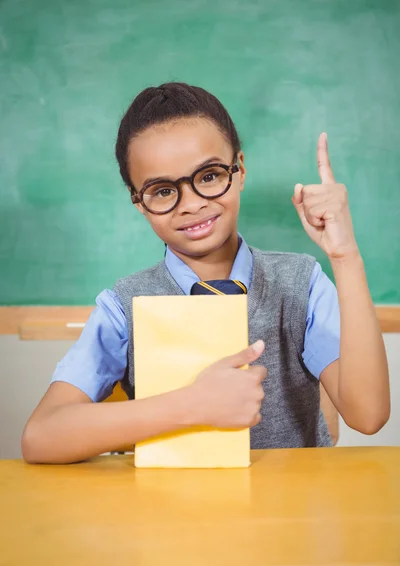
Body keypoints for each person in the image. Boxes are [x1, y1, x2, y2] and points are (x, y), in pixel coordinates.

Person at [22, 82, 390, 464]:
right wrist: (192, 405)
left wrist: (345, 255)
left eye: (210, 176)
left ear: (240, 169)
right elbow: (41, 437)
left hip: (288, 516)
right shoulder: (123, 306)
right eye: (163, 191)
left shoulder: (301, 283)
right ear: (139, 203)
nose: (193, 203)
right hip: (173, 516)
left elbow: (368, 415)